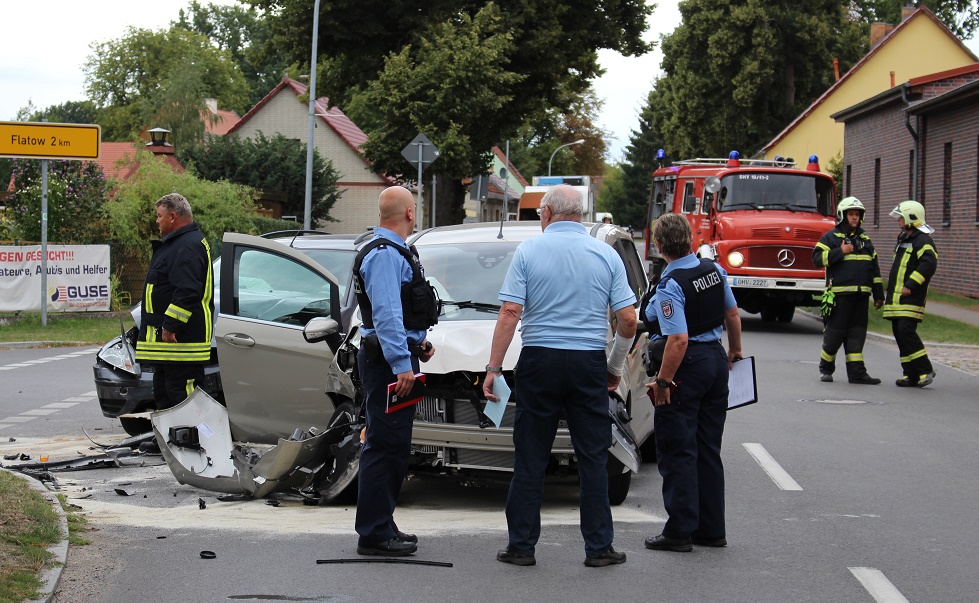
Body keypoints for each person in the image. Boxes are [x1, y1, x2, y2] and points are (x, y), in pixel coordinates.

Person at [483, 184, 637, 568]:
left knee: (531, 455)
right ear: (579, 214)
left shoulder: (528, 251)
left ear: (548, 213)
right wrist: (614, 366)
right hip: (588, 362)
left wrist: (494, 368)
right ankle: (599, 548)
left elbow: (510, 313)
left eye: (539, 214)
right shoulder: (605, 254)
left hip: (540, 361)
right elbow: (628, 320)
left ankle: (521, 546)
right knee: (593, 457)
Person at [643, 212, 742, 553]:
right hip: (715, 360)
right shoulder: (714, 270)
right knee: (707, 448)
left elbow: (678, 339)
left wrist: (663, 382)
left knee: (677, 449)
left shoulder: (671, 284)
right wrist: (735, 351)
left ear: (659, 246)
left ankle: (679, 530)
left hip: (686, 366)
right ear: (690, 239)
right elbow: (732, 314)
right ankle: (711, 529)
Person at [351, 186, 438, 556]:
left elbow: (399, 313)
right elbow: (386, 315)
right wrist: (402, 363)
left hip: (393, 359)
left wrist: (418, 345)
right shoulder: (386, 255)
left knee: (395, 445)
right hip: (388, 365)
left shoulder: (393, 251)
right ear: (409, 213)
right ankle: (373, 533)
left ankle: (383, 524)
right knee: (384, 445)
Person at [134, 193, 214, 410]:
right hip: (171, 348)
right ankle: (169, 433)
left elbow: (187, 291)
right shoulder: (179, 243)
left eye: (159, 216)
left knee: (183, 401)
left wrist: (170, 326)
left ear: (172, 216)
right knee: (166, 399)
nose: (156, 221)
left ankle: (187, 433)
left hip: (181, 343)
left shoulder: (186, 246)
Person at [812, 197, 884, 385]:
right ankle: (826, 369)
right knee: (835, 334)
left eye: (857, 214)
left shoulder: (866, 240)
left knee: (857, 335)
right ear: (843, 216)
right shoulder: (831, 237)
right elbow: (817, 259)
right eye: (851, 214)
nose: (854, 217)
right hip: (839, 296)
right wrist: (840, 252)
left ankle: (857, 373)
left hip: (861, 297)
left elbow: (874, 270)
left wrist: (878, 295)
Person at [882, 200, 938, 387]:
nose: (898, 220)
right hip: (897, 298)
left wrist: (911, 284)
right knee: (899, 334)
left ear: (911, 219)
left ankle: (925, 369)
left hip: (911, 298)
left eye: (901, 217)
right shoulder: (904, 239)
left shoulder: (923, 241)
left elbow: (928, 264)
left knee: (906, 331)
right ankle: (911, 374)